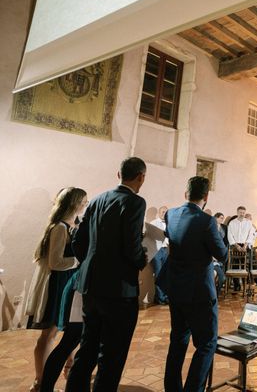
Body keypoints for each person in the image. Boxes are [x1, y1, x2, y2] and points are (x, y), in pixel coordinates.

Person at [66, 158, 148, 391]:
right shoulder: (135, 202)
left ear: (118, 174)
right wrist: (142, 258)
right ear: (141, 177)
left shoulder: (98, 199)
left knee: (88, 348)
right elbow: (132, 246)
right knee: (112, 356)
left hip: (91, 287)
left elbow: (78, 241)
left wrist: (92, 265)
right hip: (118, 291)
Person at [163, 176, 227, 392]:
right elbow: (222, 254)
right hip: (199, 291)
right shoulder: (207, 221)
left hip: (176, 289)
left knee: (178, 341)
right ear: (206, 197)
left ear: (186, 193)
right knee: (207, 343)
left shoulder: (170, 214)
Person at [25, 187, 86, 392]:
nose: (86, 204)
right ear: (74, 203)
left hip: (70, 284)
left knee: (70, 333)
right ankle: (41, 382)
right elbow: (55, 262)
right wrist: (80, 260)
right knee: (49, 335)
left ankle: (69, 373)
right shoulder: (59, 227)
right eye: (84, 201)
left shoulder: (74, 224)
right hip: (58, 285)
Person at [227, 206, 255, 291]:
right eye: (240, 212)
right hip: (235, 246)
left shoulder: (249, 222)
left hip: (245, 246)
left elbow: (250, 234)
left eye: (243, 212)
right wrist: (236, 246)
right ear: (237, 212)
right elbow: (230, 235)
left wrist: (245, 245)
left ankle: (245, 285)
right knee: (235, 267)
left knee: (246, 267)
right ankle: (237, 285)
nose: (242, 214)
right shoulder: (232, 223)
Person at [150, 206, 169, 305]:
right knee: (158, 274)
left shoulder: (168, 224)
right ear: (158, 212)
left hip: (166, 250)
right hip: (156, 250)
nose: (164, 214)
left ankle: (165, 296)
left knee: (165, 274)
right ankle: (160, 298)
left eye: (166, 212)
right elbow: (150, 237)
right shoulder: (153, 223)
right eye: (162, 212)